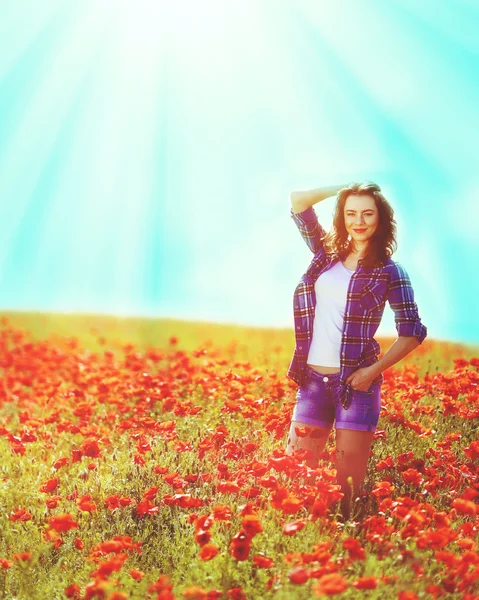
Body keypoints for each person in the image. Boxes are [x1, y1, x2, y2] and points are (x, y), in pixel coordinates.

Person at [284, 181, 427, 522]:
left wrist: (371, 372)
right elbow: (298, 200)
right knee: (295, 481)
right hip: (312, 384)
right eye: (351, 213)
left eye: (367, 213)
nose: (358, 221)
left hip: (356, 387)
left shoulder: (390, 271)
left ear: (381, 219)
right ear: (342, 217)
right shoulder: (325, 254)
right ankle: (304, 543)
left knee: (347, 489)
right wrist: (344, 187)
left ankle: (344, 548)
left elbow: (413, 331)